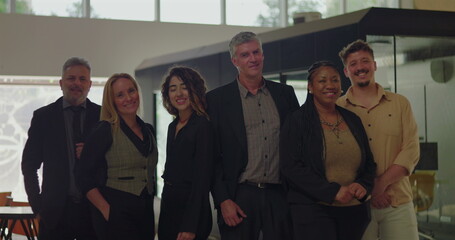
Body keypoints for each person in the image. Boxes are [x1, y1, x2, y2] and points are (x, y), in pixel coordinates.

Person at [206, 31, 299, 240]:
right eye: (245, 55)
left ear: (263, 55)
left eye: (256, 52)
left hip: (279, 194)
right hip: (239, 195)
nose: (253, 59)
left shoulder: (285, 94)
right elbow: (212, 157)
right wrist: (223, 200)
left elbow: (296, 146)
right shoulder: (216, 100)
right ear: (235, 61)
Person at [280, 61, 377, 240]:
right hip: (313, 210)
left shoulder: (352, 119)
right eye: (322, 81)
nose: (330, 85)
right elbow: (290, 167)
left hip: (353, 212)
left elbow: (370, 163)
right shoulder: (297, 121)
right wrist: (332, 191)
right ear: (310, 87)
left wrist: (363, 184)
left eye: (335, 80)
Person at [337, 39, 420, 240]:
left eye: (365, 61)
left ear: (374, 65)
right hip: (355, 205)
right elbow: (337, 157)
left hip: (397, 203)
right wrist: (370, 191)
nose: (360, 67)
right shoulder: (338, 108)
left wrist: (380, 185)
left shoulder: (400, 103)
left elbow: (411, 150)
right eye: (353, 64)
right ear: (346, 72)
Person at [22, 57, 99, 240]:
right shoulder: (43, 117)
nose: (76, 83)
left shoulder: (102, 117)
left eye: (82, 79)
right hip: (54, 215)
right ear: (61, 82)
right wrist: (37, 205)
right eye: (71, 78)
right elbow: (29, 165)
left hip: (93, 213)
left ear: (89, 84)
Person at [77, 73, 158, 240]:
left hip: (145, 212)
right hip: (116, 209)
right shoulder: (104, 130)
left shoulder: (149, 130)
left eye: (131, 91)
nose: (128, 98)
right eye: (120, 95)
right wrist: (107, 211)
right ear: (112, 101)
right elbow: (83, 176)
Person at [158, 66, 213, 240]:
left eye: (184, 87)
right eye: (173, 89)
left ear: (194, 90)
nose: (179, 94)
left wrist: (190, 225)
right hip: (169, 206)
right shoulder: (172, 126)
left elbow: (202, 181)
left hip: (191, 212)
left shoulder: (202, 125)